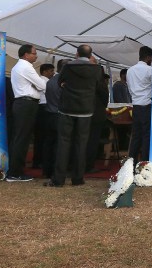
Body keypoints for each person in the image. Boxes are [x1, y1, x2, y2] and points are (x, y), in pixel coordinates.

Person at [46, 45, 104, 187]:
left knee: (63, 143)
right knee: (81, 144)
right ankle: (78, 179)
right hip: (86, 110)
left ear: (77, 54)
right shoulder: (97, 69)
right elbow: (99, 87)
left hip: (67, 109)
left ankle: (58, 179)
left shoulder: (68, 67)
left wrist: (67, 86)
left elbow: (60, 82)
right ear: (90, 55)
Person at [7, 44, 46, 182]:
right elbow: (42, 85)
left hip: (23, 103)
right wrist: (36, 85)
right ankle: (15, 172)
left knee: (20, 138)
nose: (36, 56)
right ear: (26, 55)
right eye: (34, 53)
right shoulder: (26, 67)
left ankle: (15, 170)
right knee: (21, 139)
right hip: (26, 103)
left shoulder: (19, 66)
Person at [126, 46, 152, 161]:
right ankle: (145, 162)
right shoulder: (149, 70)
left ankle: (131, 163)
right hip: (146, 105)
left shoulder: (130, 70)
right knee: (146, 136)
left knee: (136, 136)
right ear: (147, 57)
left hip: (135, 106)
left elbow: (130, 89)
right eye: (151, 58)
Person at [42, 59, 66, 179]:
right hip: (59, 115)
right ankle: (55, 171)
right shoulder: (63, 82)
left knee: (48, 144)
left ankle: (46, 170)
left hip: (49, 114)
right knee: (58, 144)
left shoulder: (50, 81)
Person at [32, 63, 55, 169]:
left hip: (42, 108)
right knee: (42, 137)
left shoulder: (46, 81)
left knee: (41, 137)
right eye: (51, 71)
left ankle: (38, 160)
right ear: (44, 72)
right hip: (43, 108)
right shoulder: (44, 82)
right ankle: (39, 161)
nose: (53, 73)